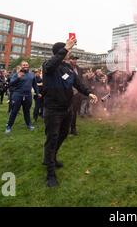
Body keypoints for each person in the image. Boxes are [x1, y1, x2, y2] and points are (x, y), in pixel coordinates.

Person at [42, 40, 98, 187]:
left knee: (64, 134)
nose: (71, 53)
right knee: (52, 139)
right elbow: (51, 65)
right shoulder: (49, 66)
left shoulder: (67, 68)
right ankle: (50, 174)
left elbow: (78, 83)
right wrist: (66, 48)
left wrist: (89, 93)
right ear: (61, 51)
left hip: (67, 108)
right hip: (53, 110)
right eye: (68, 51)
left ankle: (51, 157)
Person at [5, 61, 39, 133]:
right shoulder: (16, 74)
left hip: (28, 95)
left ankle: (29, 125)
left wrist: (37, 92)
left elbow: (34, 85)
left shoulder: (32, 74)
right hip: (17, 95)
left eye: (26, 65)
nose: (25, 66)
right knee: (14, 111)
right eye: (23, 65)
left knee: (27, 111)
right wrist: (18, 77)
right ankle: (9, 126)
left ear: (28, 66)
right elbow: (11, 83)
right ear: (21, 66)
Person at [68, 55, 84, 135]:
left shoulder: (79, 69)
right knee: (68, 111)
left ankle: (73, 129)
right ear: (69, 59)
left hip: (77, 94)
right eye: (73, 59)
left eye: (76, 59)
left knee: (74, 112)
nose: (75, 60)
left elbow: (81, 82)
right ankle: (66, 128)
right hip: (68, 93)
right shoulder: (66, 68)